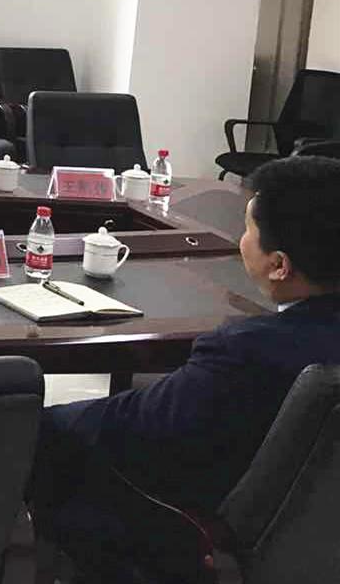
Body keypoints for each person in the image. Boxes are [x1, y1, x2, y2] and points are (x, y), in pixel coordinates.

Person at [29, 155, 340, 578]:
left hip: (207, 534)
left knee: (48, 447)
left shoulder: (246, 352)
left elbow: (133, 425)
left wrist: (33, 424)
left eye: (247, 230)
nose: (241, 241)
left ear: (279, 265)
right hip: (315, 540)